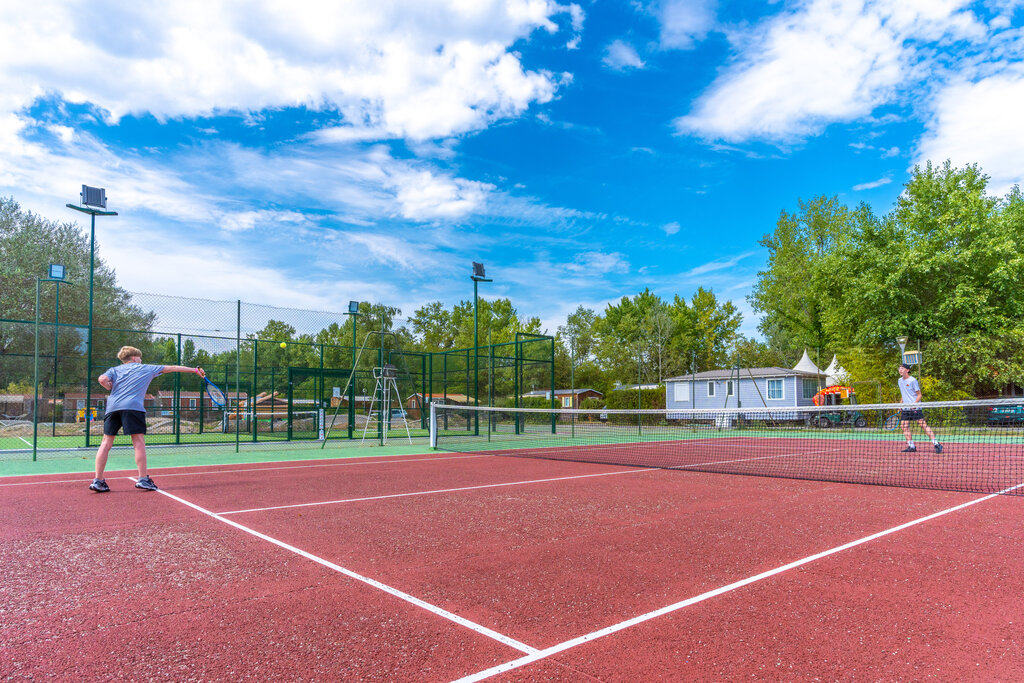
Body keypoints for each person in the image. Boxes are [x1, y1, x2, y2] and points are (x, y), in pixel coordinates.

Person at [89, 346, 205, 492]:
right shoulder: (146, 368)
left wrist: (108, 386)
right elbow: (173, 368)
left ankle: (98, 481)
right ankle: (143, 479)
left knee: (106, 443)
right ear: (134, 358)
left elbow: (102, 379)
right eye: (140, 357)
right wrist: (195, 370)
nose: (141, 360)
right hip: (133, 407)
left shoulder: (114, 370)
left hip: (112, 408)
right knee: (138, 442)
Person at [897, 362, 941, 453]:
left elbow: (919, 395)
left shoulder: (913, 380)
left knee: (923, 425)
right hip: (905, 408)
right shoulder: (899, 381)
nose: (900, 370)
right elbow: (903, 394)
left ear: (907, 370)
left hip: (915, 408)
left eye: (902, 368)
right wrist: (900, 405)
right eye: (899, 368)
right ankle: (911, 446)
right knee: (904, 426)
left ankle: (936, 444)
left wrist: (914, 404)